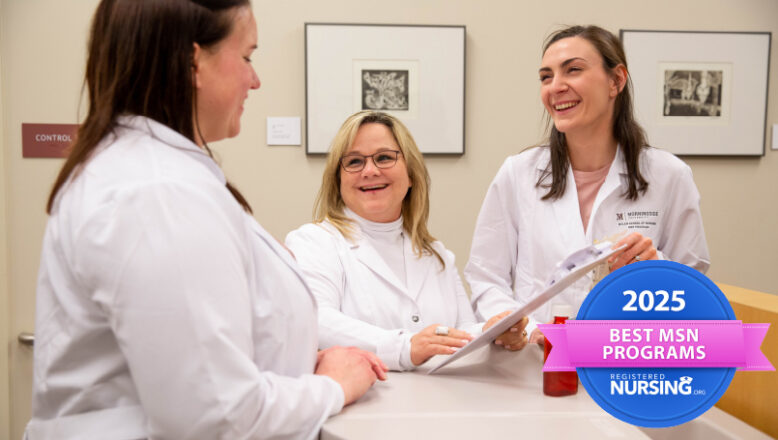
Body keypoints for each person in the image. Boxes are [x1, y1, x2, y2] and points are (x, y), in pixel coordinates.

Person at [26, 1, 385, 439]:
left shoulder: (158, 176)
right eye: (247, 56)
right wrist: (333, 386)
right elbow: (215, 415)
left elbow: (197, 363)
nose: (255, 80)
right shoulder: (156, 193)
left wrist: (292, 364)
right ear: (191, 61)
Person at [465, 25, 710, 346]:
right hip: (532, 366)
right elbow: (486, 276)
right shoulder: (518, 174)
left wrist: (656, 269)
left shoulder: (669, 175)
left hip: (625, 361)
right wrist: (509, 322)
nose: (555, 87)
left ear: (616, 80)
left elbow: (694, 290)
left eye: (574, 70)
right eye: (545, 76)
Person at [286, 111, 527, 371]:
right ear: (338, 180)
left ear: (411, 174)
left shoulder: (436, 254)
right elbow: (316, 320)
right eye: (354, 162)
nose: (370, 170)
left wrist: (491, 333)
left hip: (439, 404)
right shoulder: (313, 242)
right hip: (361, 403)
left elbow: (459, 332)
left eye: (384, 158)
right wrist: (405, 347)